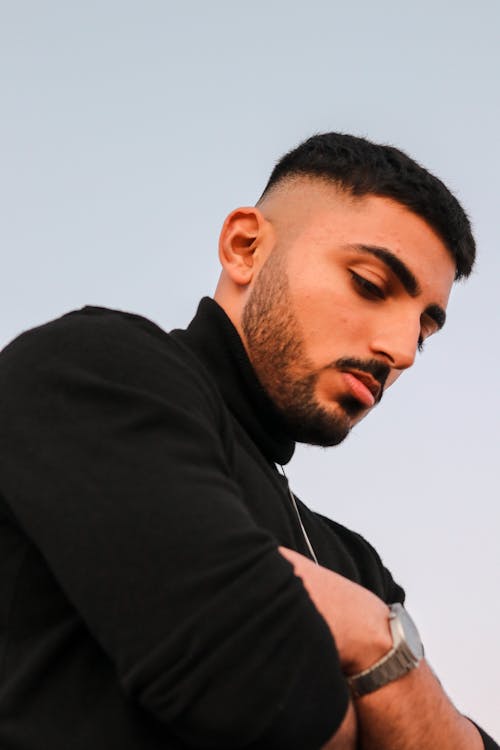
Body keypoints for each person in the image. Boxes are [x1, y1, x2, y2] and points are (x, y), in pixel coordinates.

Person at [0, 133, 497, 750]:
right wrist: (387, 676)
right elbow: (264, 700)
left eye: (424, 330)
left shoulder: (358, 568)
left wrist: (371, 631)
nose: (401, 352)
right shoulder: (93, 370)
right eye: (370, 284)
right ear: (245, 247)